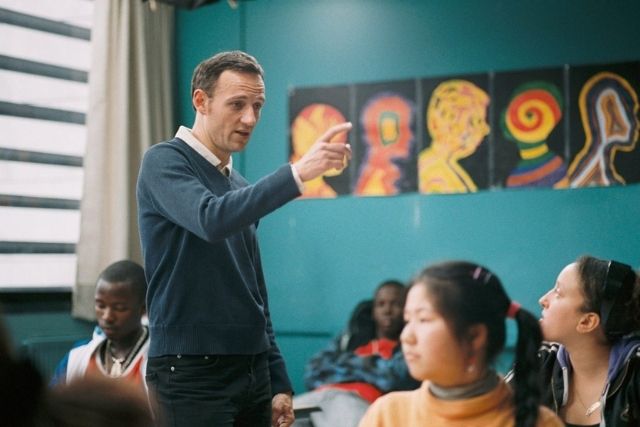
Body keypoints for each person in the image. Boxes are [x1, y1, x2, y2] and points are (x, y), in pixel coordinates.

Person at [136, 50, 352, 427]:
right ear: (200, 101)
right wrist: (298, 174)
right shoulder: (164, 161)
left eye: (257, 105)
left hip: (253, 371)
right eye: (237, 104)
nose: (250, 118)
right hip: (190, 374)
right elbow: (210, 219)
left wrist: (278, 380)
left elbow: (255, 293)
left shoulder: (238, 186)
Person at [359, 260, 563, 427]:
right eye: (407, 320)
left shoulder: (540, 423)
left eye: (423, 320)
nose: (406, 336)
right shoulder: (387, 415)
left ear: (474, 336)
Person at [293, 280, 419, 427]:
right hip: (318, 396)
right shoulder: (349, 339)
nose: (387, 310)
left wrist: (343, 364)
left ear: (406, 311)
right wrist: (370, 365)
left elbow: (393, 378)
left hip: (356, 400)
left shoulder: (408, 345)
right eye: (381, 304)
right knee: (275, 418)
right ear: (373, 311)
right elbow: (313, 372)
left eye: (395, 304)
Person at [537, 255, 640, 426]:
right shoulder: (539, 361)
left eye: (558, 292)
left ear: (587, 322)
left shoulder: (635, 376)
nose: (543, 300)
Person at [50, 260, 148, 387]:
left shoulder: (157, 361)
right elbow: (51, 404)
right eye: (100, 306)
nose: (107, 317)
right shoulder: (78, 356)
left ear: (143, 309)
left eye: (119, 308)